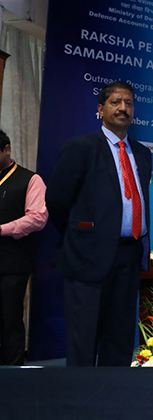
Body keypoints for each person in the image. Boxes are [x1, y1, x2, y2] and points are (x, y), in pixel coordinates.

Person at [46, 81, 152, 367]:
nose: (123, 108)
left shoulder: (142, 153)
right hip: (88, 257)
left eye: (128, 103)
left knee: (120, 340)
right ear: (100, 109)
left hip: (129, 255)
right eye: (116, 102)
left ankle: (115, 394)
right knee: (83, 341)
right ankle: (81, 396)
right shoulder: (80, 147)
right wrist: (82, 235)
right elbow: (56, 200)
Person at [0, 129, 48, 365]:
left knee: (9, 319)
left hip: (11, 263)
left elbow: (38, 218)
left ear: (6, 149)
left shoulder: (30, 179)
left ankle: (13, 371)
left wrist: (2, 229)